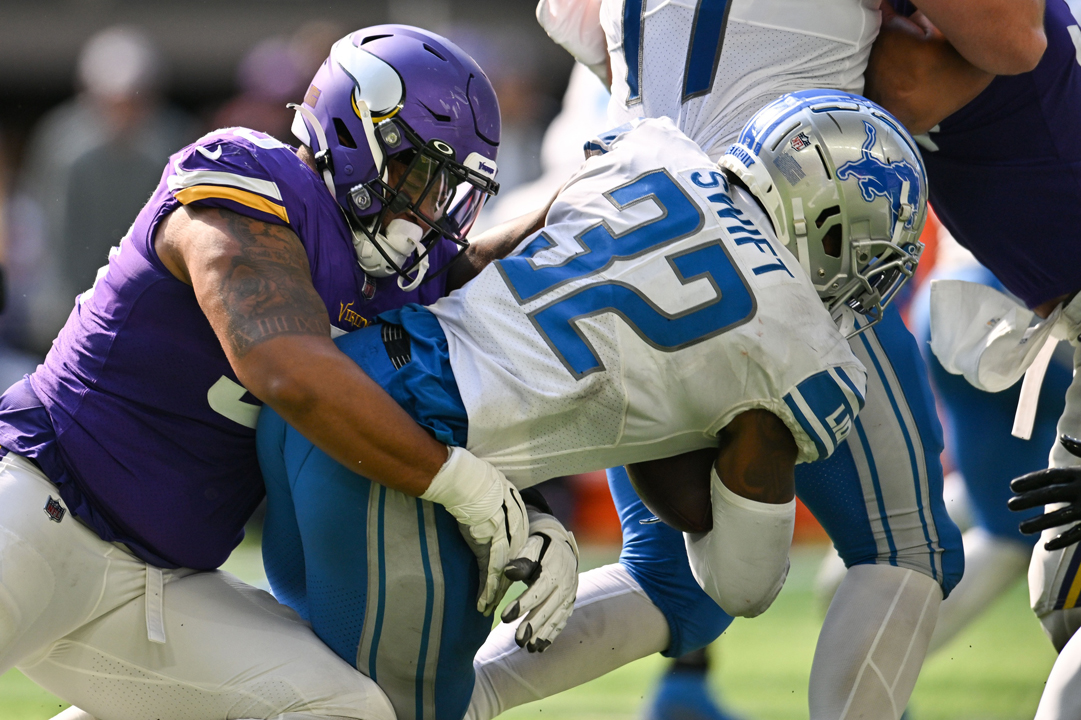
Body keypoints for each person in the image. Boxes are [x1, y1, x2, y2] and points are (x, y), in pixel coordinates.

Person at [0, 25, 552, 720]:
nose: (427, 212)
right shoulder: (247, 176)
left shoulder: (408, 277)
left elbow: (472, 371)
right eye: (420, 178)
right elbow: (285, 368)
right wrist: (463, 484)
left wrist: (534, 514)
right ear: (357, 135)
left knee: (345, 711)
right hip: (37, 506)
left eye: (448, 192)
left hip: (163, 586)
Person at [468, 4, 969, 720]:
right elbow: (1004, 42)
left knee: (669, 584)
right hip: (791, 232)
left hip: (637, 232)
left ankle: (453, 701)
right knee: (904, 552)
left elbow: (595, 41)